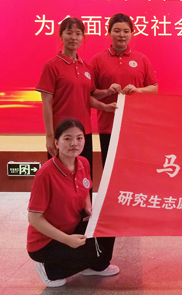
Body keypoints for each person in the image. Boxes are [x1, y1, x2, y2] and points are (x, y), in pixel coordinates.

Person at [27, 119, 118, 287]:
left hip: (73, 227)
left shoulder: (83, 162)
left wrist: (89, 209)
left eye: (79, 138)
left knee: (108, 227)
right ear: (57, 142)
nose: (74, 143)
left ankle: (93, 266)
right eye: (67, 138)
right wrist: (67, 240)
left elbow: (85, 190)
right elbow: (34, 218)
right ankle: (48, 270)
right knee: (94, 252)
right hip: (47, 241)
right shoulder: (45, 175)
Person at [36, 17, 116, 181]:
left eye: (78, 33)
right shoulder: (51, 66)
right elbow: (47, 103)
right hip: (62, 133)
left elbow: (87, 97)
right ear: (61, 35)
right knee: (61, 180)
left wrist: (105, 104)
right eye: (69, 32)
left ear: (83, 37)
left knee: (84, 178)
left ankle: (86, 201)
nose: (73, 37)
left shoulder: (86, 67)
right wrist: (50, 136)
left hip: (83, 133)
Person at [91, 13, 158, 165]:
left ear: (132, 34)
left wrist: (138, 90)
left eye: (126, 31)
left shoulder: (141, 59)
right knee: (110, 169)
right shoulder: (97, 60)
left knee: (135, 169)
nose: (121, 35)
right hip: (108, 126)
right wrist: (107, 92)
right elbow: (91, 94)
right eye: (117, 30)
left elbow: (154, 89)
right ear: (109, 33)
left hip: (136, 125)